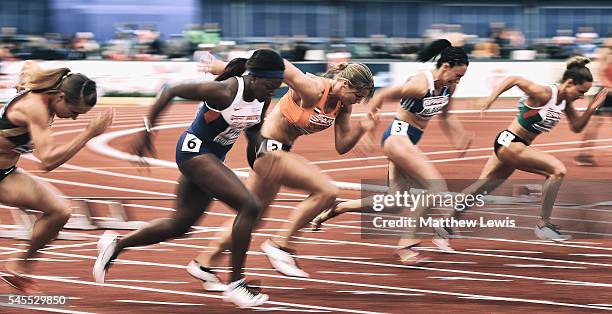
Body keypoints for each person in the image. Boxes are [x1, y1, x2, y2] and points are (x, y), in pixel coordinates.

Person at [92, 49, 285, 308]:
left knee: (180, 224)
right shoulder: (225, 91)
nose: (272, 92)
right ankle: (236, 284)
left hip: (212, 159)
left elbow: (252, 133)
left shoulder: (262, 98)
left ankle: (115, 245)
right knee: (249, 206)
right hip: (193, 152)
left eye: (277, 87)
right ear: (254, 77)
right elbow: (171, 89)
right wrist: (147, 131)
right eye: (270, 86)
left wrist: (263, 153)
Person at [188, 52, 375, 281]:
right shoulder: (312, 88)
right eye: (357, 95)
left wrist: (363, 128)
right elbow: (279, 63)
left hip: (279, 152)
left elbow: (342, 146)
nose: (358, 101)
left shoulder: (343, 106)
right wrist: (226, 66)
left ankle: (203, 263)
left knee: (254, 217)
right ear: (345, 84)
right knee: (326, 191)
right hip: (264, 147)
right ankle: (281, 244)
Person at [312, 39, 472, 265]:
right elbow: (382, 95)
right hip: (398, 137)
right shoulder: (420, 84)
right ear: (445, 66)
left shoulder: (449, 87)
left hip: (409, 141)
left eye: (461, 77)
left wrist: (459, 135)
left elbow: (446, 115)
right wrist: (368, 132)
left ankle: (339, 207)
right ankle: (406, 245)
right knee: (435, 187)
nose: (458, 80)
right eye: (457, 75)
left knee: (393, 202)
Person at [435, 56, 607, 249]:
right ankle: (543, 225)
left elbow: (577, 127)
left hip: (514, 145)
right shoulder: (543, 93)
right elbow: (514, 79)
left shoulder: (564, 102)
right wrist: (490, 98)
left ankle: (444, 226)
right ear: (569, 83)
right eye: (581, 91)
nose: (582, 96)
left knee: (481, 188)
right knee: (556, 170)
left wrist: (592, 107)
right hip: (510, 142)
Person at [0, 61, 112, 293]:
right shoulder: (36, 108)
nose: (73, 119)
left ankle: (18, 264)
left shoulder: (46, 90)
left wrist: (23, 81)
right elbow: (48, 161)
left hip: (5, 173)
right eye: (74, 113)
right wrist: (88, 133)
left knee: (60, 210)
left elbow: (29, 65)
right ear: (60, 97)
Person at [575, 37, 612, 166]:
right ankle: (584, 155)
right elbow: (604, 74)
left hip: (604, 91)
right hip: (607, 92)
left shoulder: (603, 55)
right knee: (595, 124)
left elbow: (601, 71)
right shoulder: (606, 56)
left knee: (594, 124)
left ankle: (584, 155)